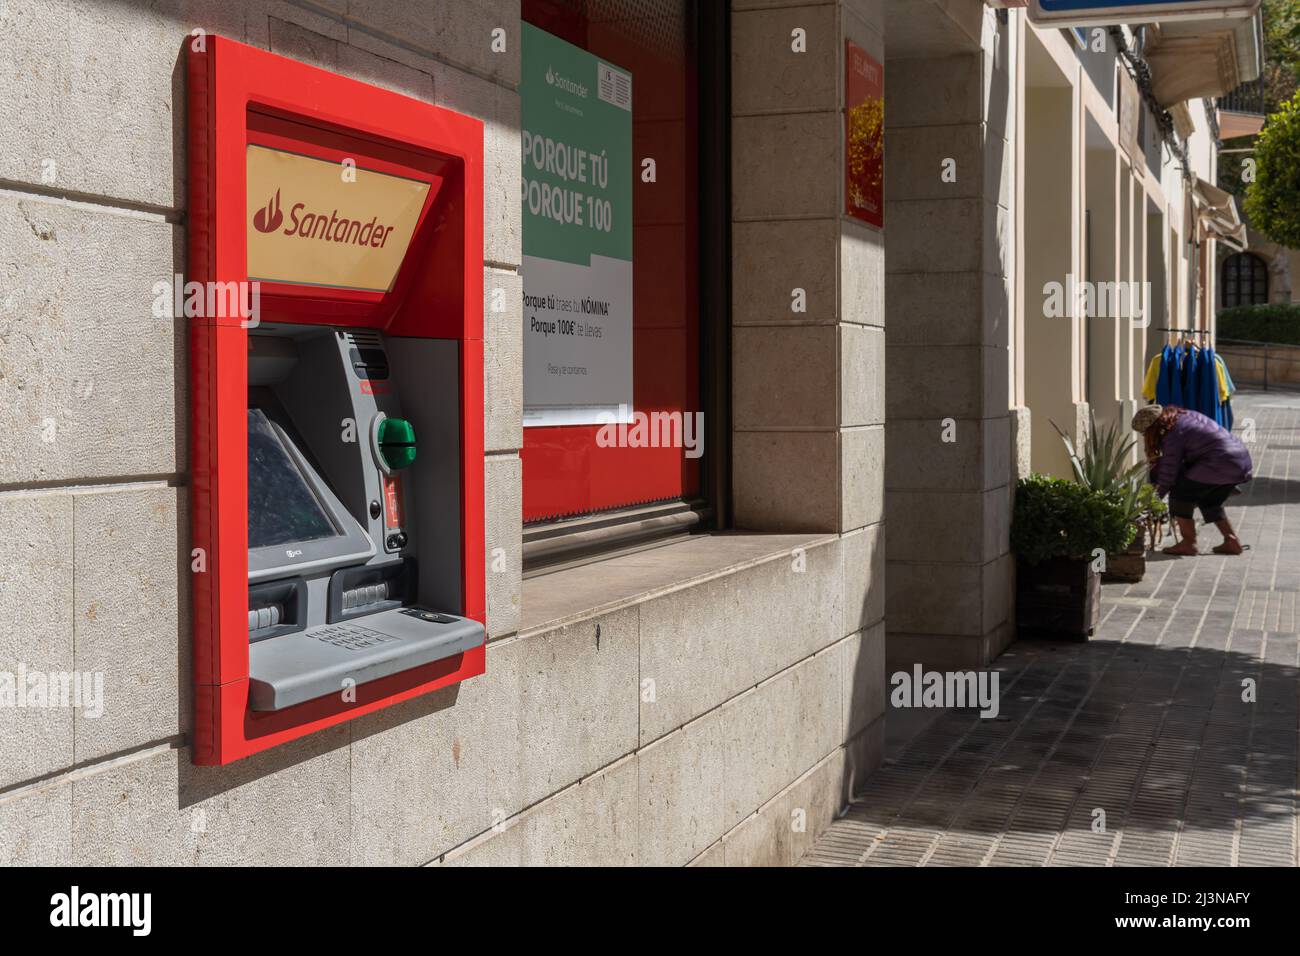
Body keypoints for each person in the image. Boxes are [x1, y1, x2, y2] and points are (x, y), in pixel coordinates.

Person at [1131, 404, 1252, 556]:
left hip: (1219, 462)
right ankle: (1231, 540)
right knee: (1210, 500)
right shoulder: (1184, 415)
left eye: (1145, 433)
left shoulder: (1173, 435)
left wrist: (1154, 499)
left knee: (1180, 494)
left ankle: (1188, 543)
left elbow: (1168, 473)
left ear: (1153, 428)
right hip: (1239, 460)